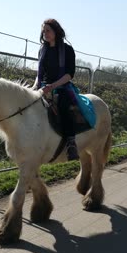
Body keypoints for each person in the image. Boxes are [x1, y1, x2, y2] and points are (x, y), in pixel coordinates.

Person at [32, 18, 79, 160]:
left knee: (64, 106)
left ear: (56, 31)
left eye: (48, 30)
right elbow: (40, 74)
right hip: (44, 86)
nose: (45, 33)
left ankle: (71, 143)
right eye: (43, 31)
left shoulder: (67, 50)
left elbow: (69, 74)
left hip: (62, 86)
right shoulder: (42, 50)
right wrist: (35, 87)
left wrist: (52, 86)